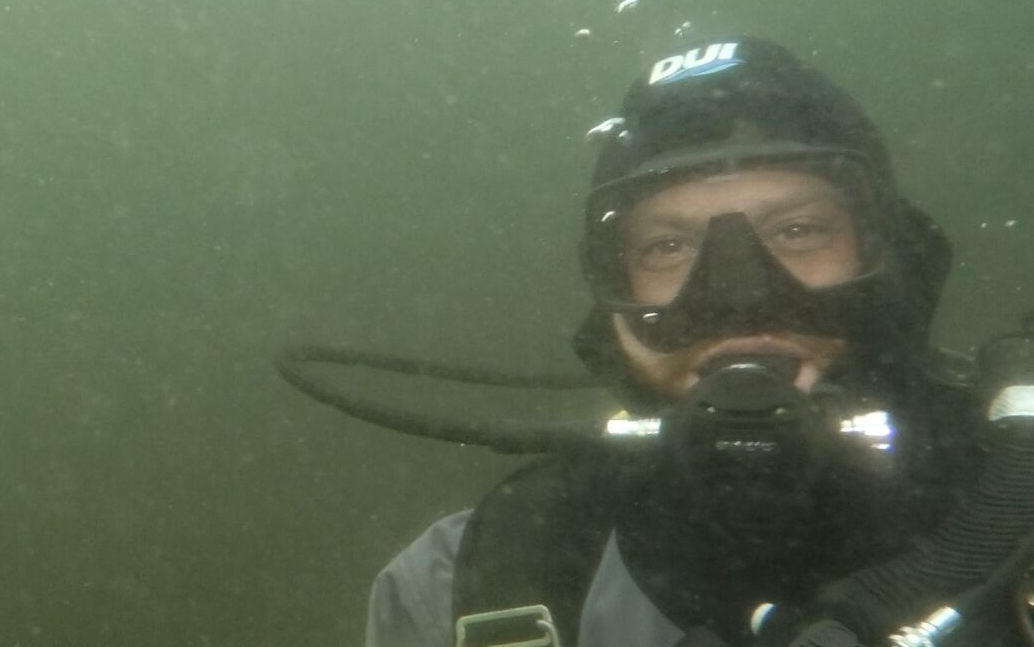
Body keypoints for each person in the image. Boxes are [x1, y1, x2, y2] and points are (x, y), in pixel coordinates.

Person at [363, 37, 1034, 646]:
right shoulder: (458, 585)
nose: (738, 299)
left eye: (797, 230)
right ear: (612, 301)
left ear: (890, 258)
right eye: (669, 246)